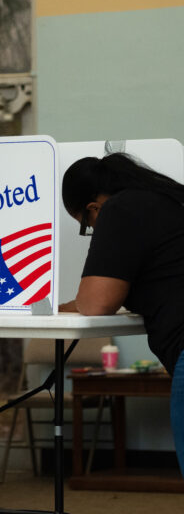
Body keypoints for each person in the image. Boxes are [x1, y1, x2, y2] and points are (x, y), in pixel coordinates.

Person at [60, 152, 184, 475]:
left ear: (93, 209)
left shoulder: (120, 209)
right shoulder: (166, 200)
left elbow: (96, 303)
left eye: (87, 227)